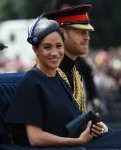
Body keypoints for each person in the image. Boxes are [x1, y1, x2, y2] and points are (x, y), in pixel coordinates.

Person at [4, 14, 104, 150]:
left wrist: (90, 127)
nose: (55, 53)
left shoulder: (58, 77)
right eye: (47, 47)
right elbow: (35, 138)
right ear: (35, 49)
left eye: (59, 46)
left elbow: (71, 121)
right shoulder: (32, 82)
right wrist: (77, 142)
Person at [43, 4, 121, 149]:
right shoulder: (49, 73)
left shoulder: (74, 66)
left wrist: (92, 126)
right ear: (61, 33)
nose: (87, 38)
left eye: (87, 32)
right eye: (80, 32)